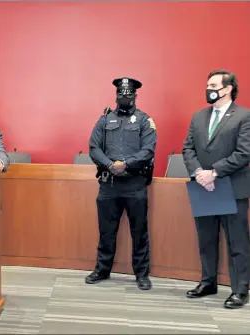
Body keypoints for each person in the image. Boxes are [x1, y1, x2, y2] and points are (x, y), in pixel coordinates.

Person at [182, 70, 250, 309]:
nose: (208, 88)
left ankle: (240, 290)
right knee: (206, 239)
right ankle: (208, 282)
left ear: (228, 88)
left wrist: (215, 172)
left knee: (237, 242)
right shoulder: (198, 116)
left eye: (213, 84)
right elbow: (187, 149)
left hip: (231, 187)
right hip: (204, 186)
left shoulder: (244, 116)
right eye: (207, 84)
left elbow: (244, 153)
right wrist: (199, 173)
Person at [86, 77, 157, 290]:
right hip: (109, 185)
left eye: (128, 94)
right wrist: (110, 165)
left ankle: (142, 274)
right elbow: (93, 147)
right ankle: (102, 269)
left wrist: (125, 165)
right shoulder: (104, 120)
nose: (123, 97)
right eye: (120, 93)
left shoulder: (145, 121)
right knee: (106, 230)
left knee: (139, 231)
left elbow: (149, 150)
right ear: (115, 95)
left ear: (135, 95)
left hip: (135, 184)